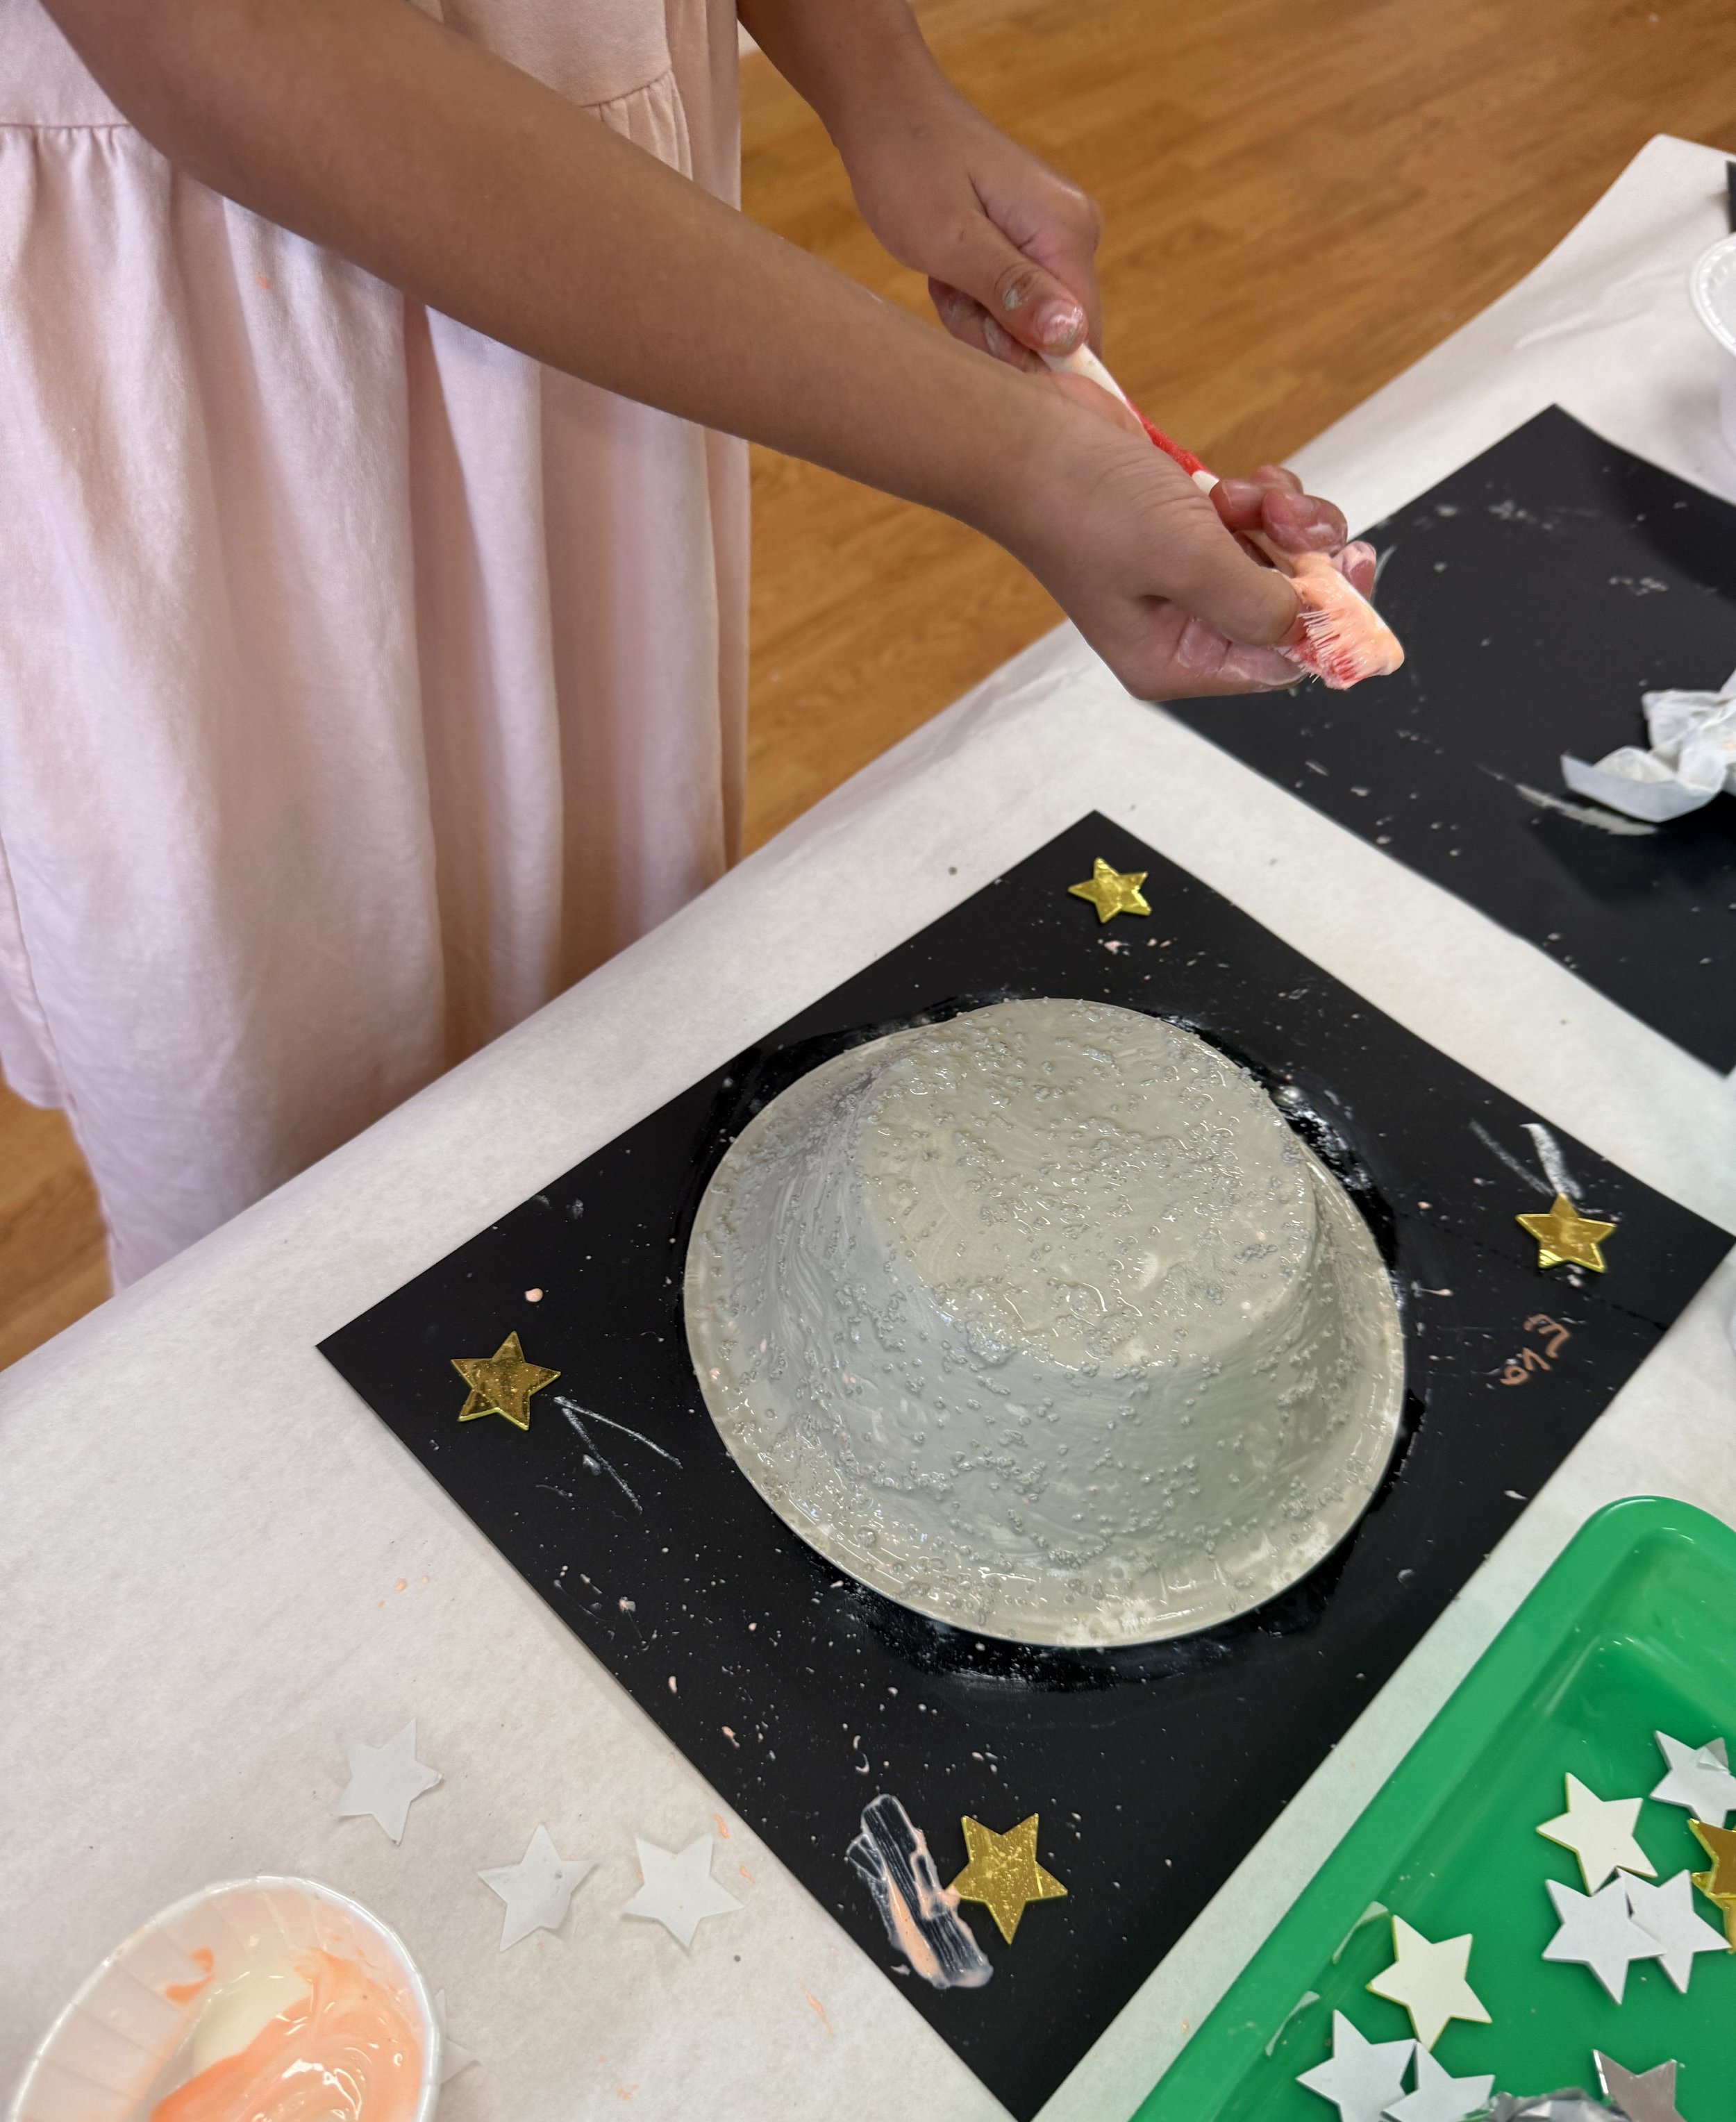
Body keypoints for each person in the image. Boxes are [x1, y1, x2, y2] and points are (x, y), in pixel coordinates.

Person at [4, 0, 1364, 1285]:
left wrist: (888, 94)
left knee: (613, 980)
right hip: (219, 350)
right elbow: (230, 34)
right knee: (290, 1145)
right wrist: (1022, 465)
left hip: (615, 290)